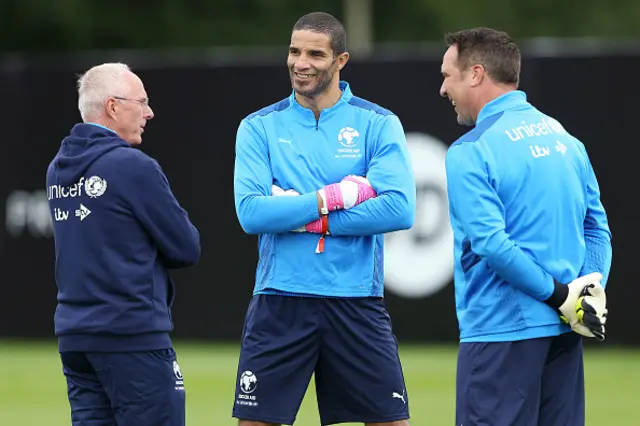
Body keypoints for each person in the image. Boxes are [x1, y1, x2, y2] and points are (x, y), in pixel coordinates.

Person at [232, 11, 417, 426]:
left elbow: (398, 208)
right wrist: (333, 197)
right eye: (294, 51)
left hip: (355, 299)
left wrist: (304, 218)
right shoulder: (258, 127)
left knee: (391, 422)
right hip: (280, 298)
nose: (301, 63)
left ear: (341, 60)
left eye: (315, 53)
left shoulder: (378, 123)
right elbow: (251, 212)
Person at [440, 27, 612, 426]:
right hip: (565, 333)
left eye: (448, 75)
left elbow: (492, 245)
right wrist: (585, 292)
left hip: (501, 332)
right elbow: (597, 228)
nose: (443, 89)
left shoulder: (470, 149)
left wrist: (560, 296)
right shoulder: (566, 139)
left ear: (476, 74)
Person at [46, 62, 200, 426]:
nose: (149, 112)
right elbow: (186, 247)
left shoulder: (58, 167)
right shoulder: (133, 166)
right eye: (141, 102)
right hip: (131, 335)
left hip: (75, 337)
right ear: (113, 107)